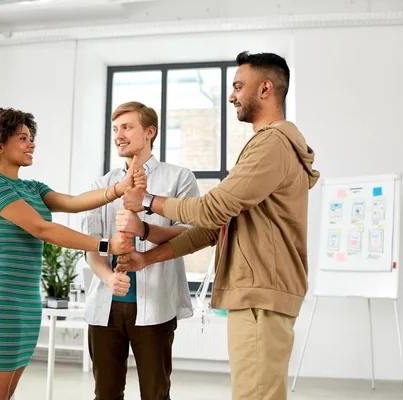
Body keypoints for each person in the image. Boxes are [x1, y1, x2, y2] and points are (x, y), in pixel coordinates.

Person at [117, 52, 321, 400]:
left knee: (255, 395)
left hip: (261, 291)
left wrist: (148, 202)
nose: (231, 96)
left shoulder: (272, 144)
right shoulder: (266, 146)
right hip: (258, 292)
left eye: (239, 87)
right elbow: (214, 229)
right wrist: (147, 253)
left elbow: (212, 209)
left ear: (266, 89)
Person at [0, 107, 145, 400]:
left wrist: (119, 188)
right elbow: (41, 229)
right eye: (22, 138)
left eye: (30, 137)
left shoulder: (32, 187)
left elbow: (74, 202)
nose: (31, 143)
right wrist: (105, 246)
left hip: (25, 302)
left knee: (5, 395)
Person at [81, 101, 200, 400]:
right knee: (105, 394)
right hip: (106, 307)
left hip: (156, 304)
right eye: (115, 129)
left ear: (150, 131)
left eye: (127, 127)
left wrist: (143, 229)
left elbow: (191, 233)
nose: (119, 135)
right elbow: (89, 246)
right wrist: (108, 277)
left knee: (155, 394)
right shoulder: (104, 184)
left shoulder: (179, 178)